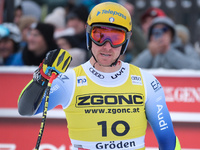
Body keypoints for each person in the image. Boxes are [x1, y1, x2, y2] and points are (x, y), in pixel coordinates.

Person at [18, 2, 181, 150]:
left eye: (116, 37)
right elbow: (26, 109)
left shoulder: (146, 82)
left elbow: (168, 142)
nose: (107, 46)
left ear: (126, 40)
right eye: (100, 36)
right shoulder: (70, 81)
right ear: (89, 35)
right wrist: (43, 76)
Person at [132, 16, 200, 69]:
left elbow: (196, 67)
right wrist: (150, 53)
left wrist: (168, 51)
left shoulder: (184, 48)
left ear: (172, 35)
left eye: (164, 30)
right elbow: (132, 69)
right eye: (155, 32)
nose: (160, 35)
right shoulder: (146, 49)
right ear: (150, 35)